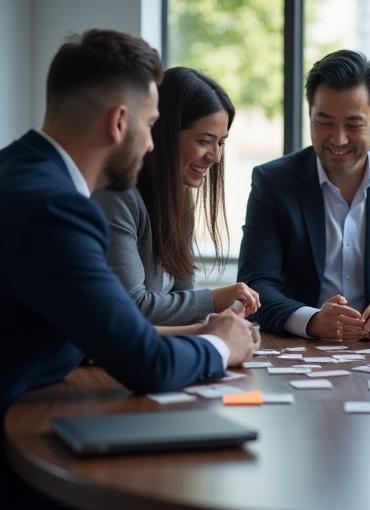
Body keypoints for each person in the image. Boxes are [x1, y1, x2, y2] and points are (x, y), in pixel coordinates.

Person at [0, 30, 255, 509]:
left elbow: (93, 332)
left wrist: (196, 330)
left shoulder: (17, 170)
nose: (152, 143)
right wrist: (221, 344)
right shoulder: (58, 209)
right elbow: (147, 364)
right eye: (151, 124)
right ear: (120, 122)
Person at [238, 50, 370, 340]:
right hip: (300, 348)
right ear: (310, 116)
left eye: (353, 124)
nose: (338, 138)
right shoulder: (273, 182)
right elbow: (255, 285)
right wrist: (311, 320)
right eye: (324, 122)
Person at [93, 67, 259, 326]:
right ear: (163, 135)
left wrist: (219, 319)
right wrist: (214, 300)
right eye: (204, 141)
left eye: (221, 143)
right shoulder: (116, 197)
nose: (216, 157)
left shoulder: (178, 199)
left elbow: (183, 300)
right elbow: (132, 307)